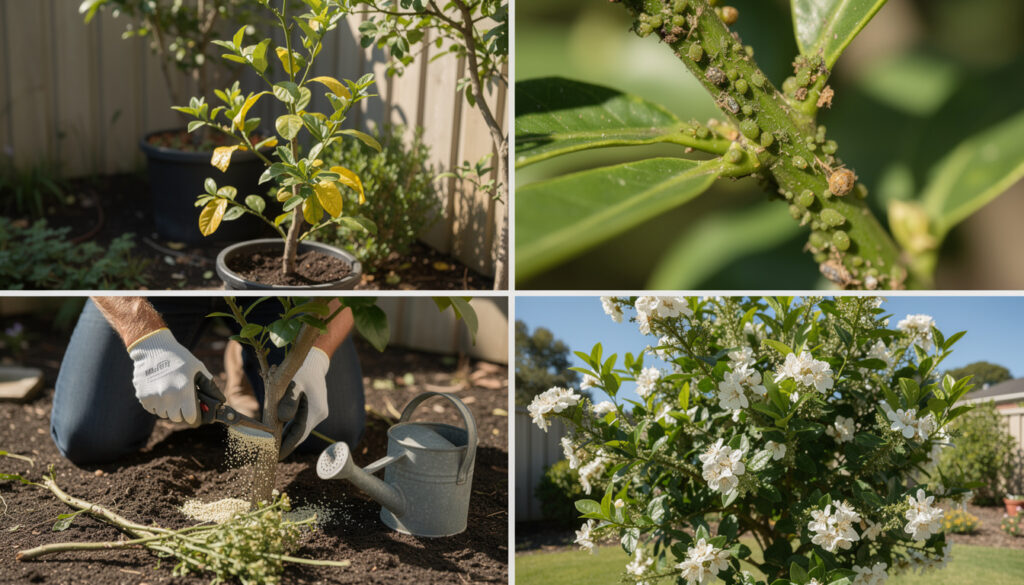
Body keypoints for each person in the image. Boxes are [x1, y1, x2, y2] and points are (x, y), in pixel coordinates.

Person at [51, 297, 364, 465]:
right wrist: (147, 341)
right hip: (152, 292)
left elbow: (352, 282)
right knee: (92, 436)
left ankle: (248, 364)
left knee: (330, 431)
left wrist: (317, 355)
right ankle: (250, 356)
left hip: (272, 289)